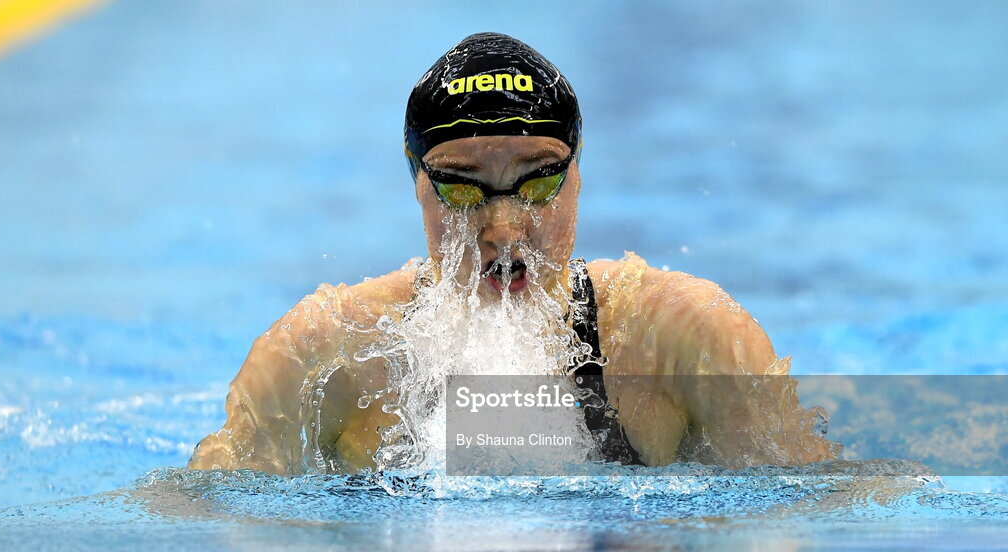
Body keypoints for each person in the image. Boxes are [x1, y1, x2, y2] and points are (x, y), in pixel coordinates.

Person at [189, 32, 836, 474]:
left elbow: (822, 502)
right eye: (462, 188)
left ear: (578, 174)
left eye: (540, 182)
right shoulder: (324, 356)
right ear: (415, 181)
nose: (503, 229)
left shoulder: (679, 340)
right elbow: (209, 528)